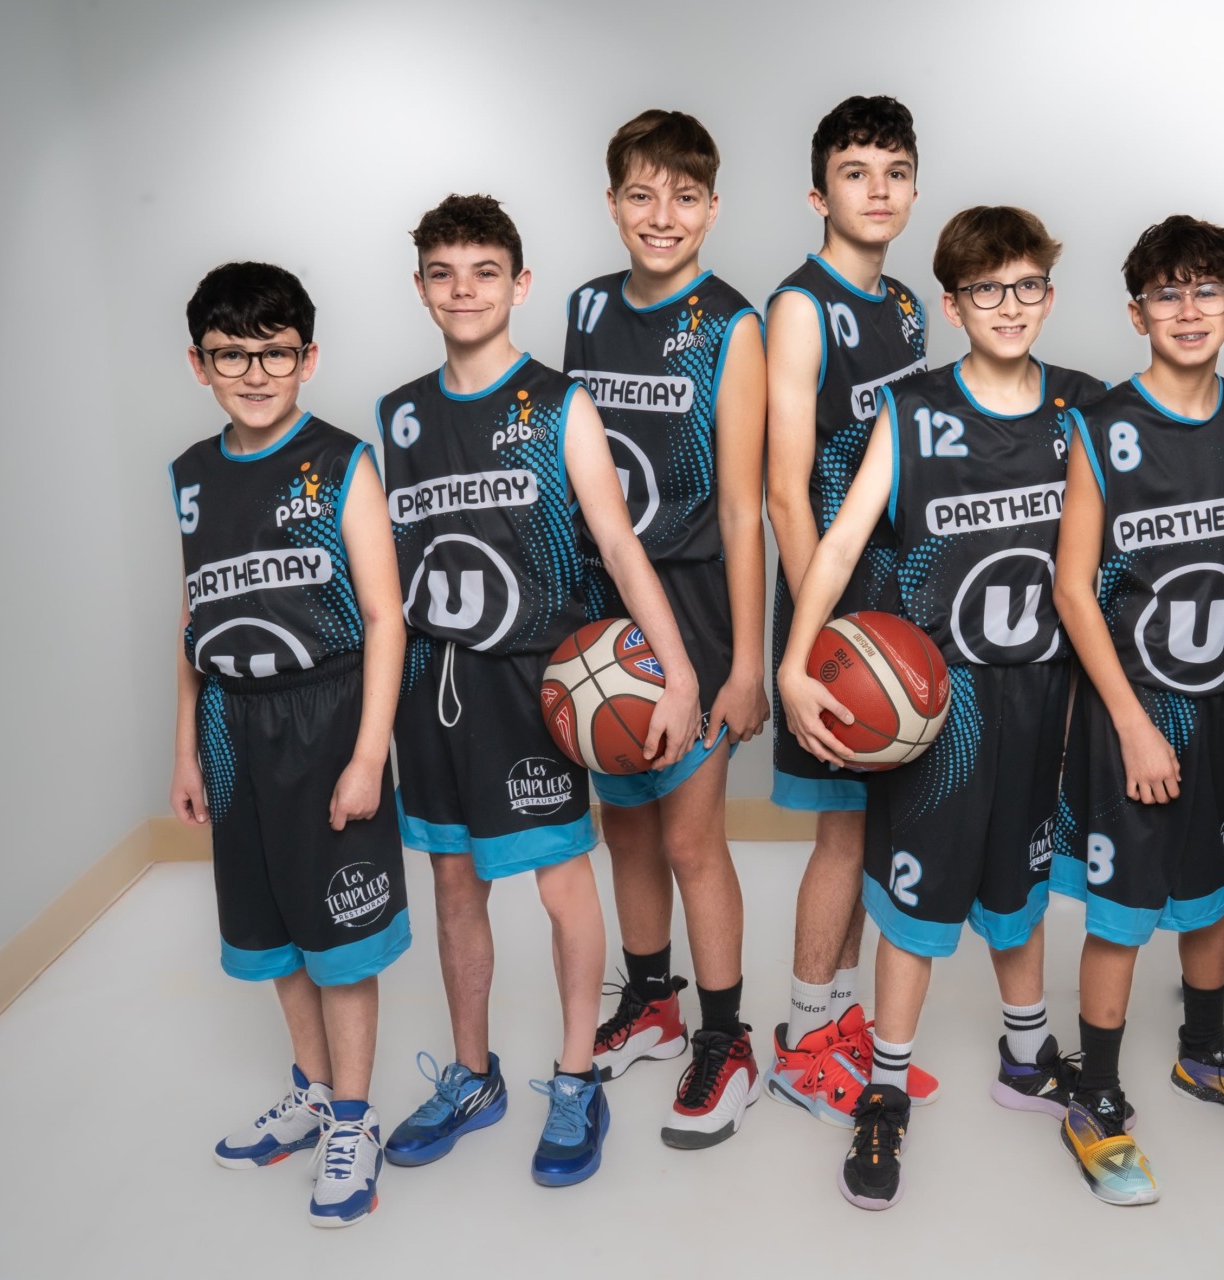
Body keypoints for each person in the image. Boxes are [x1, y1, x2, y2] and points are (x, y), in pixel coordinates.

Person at [779, 206, 1108, 1209]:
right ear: (953, 304)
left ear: (1049, 295)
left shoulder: (1086, 407)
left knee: (1020, 881)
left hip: (1042, 685)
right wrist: (796, 660)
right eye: (984, 290)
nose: (1008, 306)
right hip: (937, 699)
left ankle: (1025, 1054)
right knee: (916, 909)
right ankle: (885, 1086)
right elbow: (840, 541)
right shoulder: (913, 410)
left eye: (1026, 286)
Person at [375, 194, 700, 1187]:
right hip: (435, 683)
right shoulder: (398, 415)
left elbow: (619, 546)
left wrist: (679, 670)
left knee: (562, 885)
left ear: (519, 285)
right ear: (420, 287)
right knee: (454, 884)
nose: (463, 290)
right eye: (443, 273)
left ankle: (574, 1074)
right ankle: (473, 1075)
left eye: (485, 272)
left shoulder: (560, 404)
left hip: (536, 679)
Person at [1047, 216, 1224, 1194]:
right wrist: (1131, 722)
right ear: (1136, 310)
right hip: (1134, 706)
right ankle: (1095, 1091)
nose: (1189, 310)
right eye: (1167, 293)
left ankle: (1204, 1049)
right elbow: (1072, 588)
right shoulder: (1103, 426)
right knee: (1124, 905)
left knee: (1214, 882)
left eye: (1207, 291)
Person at [170, 261, 408, 1227]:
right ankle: (312, 1093)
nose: (255, 373)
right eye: (231, 355)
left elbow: (386, 618)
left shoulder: (341, 462)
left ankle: (354, 1118)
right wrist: (185, 747)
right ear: (199, 364)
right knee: (272, 930)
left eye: (274, 353)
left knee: (340, 940)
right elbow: (192, 616)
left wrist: (368, 754)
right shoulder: (190, 475)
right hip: (233, 726)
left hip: (326, 717)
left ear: (308, 359)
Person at [565, 109, 769, 1149]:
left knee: (692, 835)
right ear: (612, 204)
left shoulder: (732, 324)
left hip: (695, 604)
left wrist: (748, 662)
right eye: (641, 194)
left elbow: (741, 507)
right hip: (605, 606)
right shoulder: (586, 308)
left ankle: (727, 1036)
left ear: (712, 209)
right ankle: (652, 1000)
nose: (662, 215)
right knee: (629, 824)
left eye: (684, 196)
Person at [763, 95, 939, 1124]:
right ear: (818, 193)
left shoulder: (908, 305)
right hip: (835, 615)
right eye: (855, 172)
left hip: (898, 604)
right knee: (841, 835)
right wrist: (819, 641)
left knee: (880, 831)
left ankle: (843, 1028)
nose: (877, 190)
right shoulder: (801, 307)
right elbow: (787, 491)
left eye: (894, 171)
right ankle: (802, 1038)